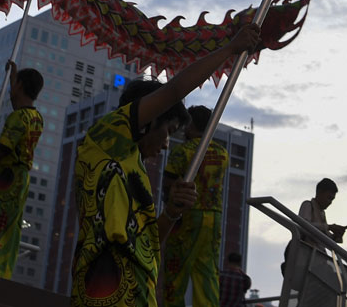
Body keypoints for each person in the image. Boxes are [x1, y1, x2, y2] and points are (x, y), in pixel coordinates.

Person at [71, 24, 260, 307]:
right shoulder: (108, 136)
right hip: (104, 291)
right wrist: (230, 50)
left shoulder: (134, 171)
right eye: (169, 130)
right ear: (148, 119)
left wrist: (172, 212)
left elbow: (149, 242)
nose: (167, 143)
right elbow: (174, 90)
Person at [0, 61, 44, 278]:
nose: (10, 87)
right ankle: (3, 269)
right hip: (22, 178)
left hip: (7, 176)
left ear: (21, 86)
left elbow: (3, 149)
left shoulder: (17, 118)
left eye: (14, 84)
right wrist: (14, 74)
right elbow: (18, 104)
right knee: (11, 228)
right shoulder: (36, 118)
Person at [162, 105, 230, 307]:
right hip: (214, 216)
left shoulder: (183, 151)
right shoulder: (223, 153)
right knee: (207, 271)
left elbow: (168, 182)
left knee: (176, 270)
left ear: (191, 124)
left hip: (187, 216)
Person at [298, 178, 347, 245]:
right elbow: (304, 225)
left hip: (316, 253)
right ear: (319, 192)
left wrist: (337, 235)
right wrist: (329, 227)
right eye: (329, 198)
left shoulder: (322, 213)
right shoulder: (307, 205)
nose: (330, 202)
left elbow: (325, 237)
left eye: (332, 199)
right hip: (304, 250)